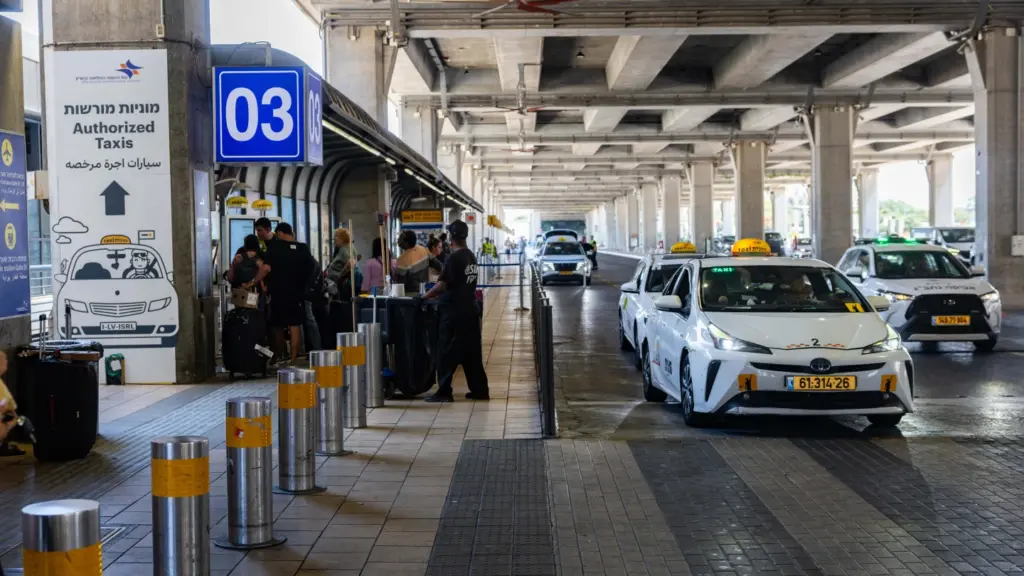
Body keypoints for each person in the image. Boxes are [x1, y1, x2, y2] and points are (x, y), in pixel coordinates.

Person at [422, 220, 489, 403]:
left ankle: (444, 391)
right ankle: (480, 390)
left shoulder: (454, 258)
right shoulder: (471, 256)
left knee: (445, 352)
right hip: (471, 310)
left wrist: (425, 296)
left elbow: (442, 285)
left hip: (453, 313)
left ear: (451, 237)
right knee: (472, 353)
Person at [250, 222, 314, 364]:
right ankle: (293, 360)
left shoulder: (276, 247)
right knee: (295, 326)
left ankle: (277, 356)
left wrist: (253, 281)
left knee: (277, 326)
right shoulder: (303, 248)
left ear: (279, 233)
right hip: (297, 293)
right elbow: (312, 268)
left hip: (279, 292)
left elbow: (265, 268)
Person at [326, 228, 359, 299]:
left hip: (338, 284)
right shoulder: (348, 247)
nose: (334, 240)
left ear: (341, 238)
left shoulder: (345, 249)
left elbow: (351, 262)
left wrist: (340, 275)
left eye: (335, 237)